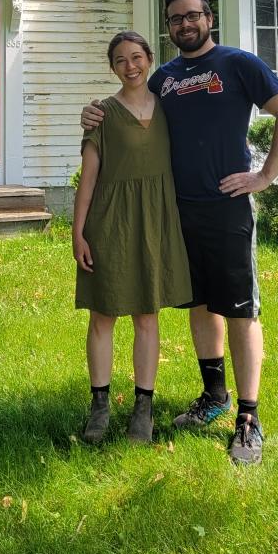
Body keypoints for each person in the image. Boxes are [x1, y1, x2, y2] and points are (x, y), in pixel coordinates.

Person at [81, 0, 278, 464]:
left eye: (192, 15)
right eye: (175, 19)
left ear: (209, 18)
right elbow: (131, 110)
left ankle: (248, 418)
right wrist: (92, 113)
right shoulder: (163, 78)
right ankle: (214, 396)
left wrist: (265, 176)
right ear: (168, 29)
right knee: (199, 304)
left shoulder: (238, 64)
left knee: (240, 310)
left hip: (227, 208)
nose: (184, 24)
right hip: (175, 212)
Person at [73, 30, 192, 445]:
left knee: (146, 314)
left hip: (155, 221)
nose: (130, 66)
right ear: (112, 67)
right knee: (103, 314)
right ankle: (100, 407)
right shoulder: (103, 115)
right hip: (109, 222)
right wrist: (77, 232)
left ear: (150, 59)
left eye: (137, 57)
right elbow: (88, 179)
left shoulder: (169, 107)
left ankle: (144, 408)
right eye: (121, 60)